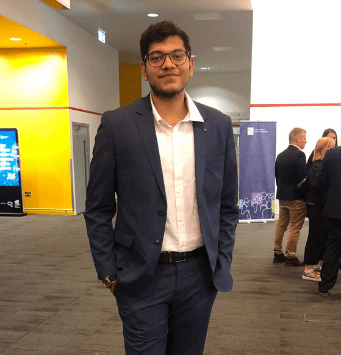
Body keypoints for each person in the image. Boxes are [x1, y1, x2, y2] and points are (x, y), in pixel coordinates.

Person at [84, 21, 238, 354]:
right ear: (144, 69)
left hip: (200, 275)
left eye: (176, 55)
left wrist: (221, 259)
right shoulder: (117, 124)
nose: (168, 64)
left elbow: (227, 205)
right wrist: (108, 271)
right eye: (156, 57)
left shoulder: (219, 126)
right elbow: (97, 207)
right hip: (141, 275)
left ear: (191, 64)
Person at [273, 127, 308, 267]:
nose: (306, 142)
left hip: (283, 196)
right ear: (298, 139)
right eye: (304, 139)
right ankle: (291, 256)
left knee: (281, 225)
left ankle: (277, 253)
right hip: (296, 198)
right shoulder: (300, 155)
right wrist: (305, 196)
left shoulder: (280, 155)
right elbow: (303, 179)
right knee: (294, 227)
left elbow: (277, 176)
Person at [301, 137, 335, 281]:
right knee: (315, 238)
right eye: (331, 147)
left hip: (320, 207)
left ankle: (314, 265)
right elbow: (316, 187)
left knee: (320, 237)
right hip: (316, 207)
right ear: (323, 149)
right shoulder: (317, 166)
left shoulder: (320, 166)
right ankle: (308, 269)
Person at [315, 143, 341, 296]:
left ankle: (324, 286)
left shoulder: (331, 154)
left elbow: (320, 182)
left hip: (334, 209)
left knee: (333, 247)